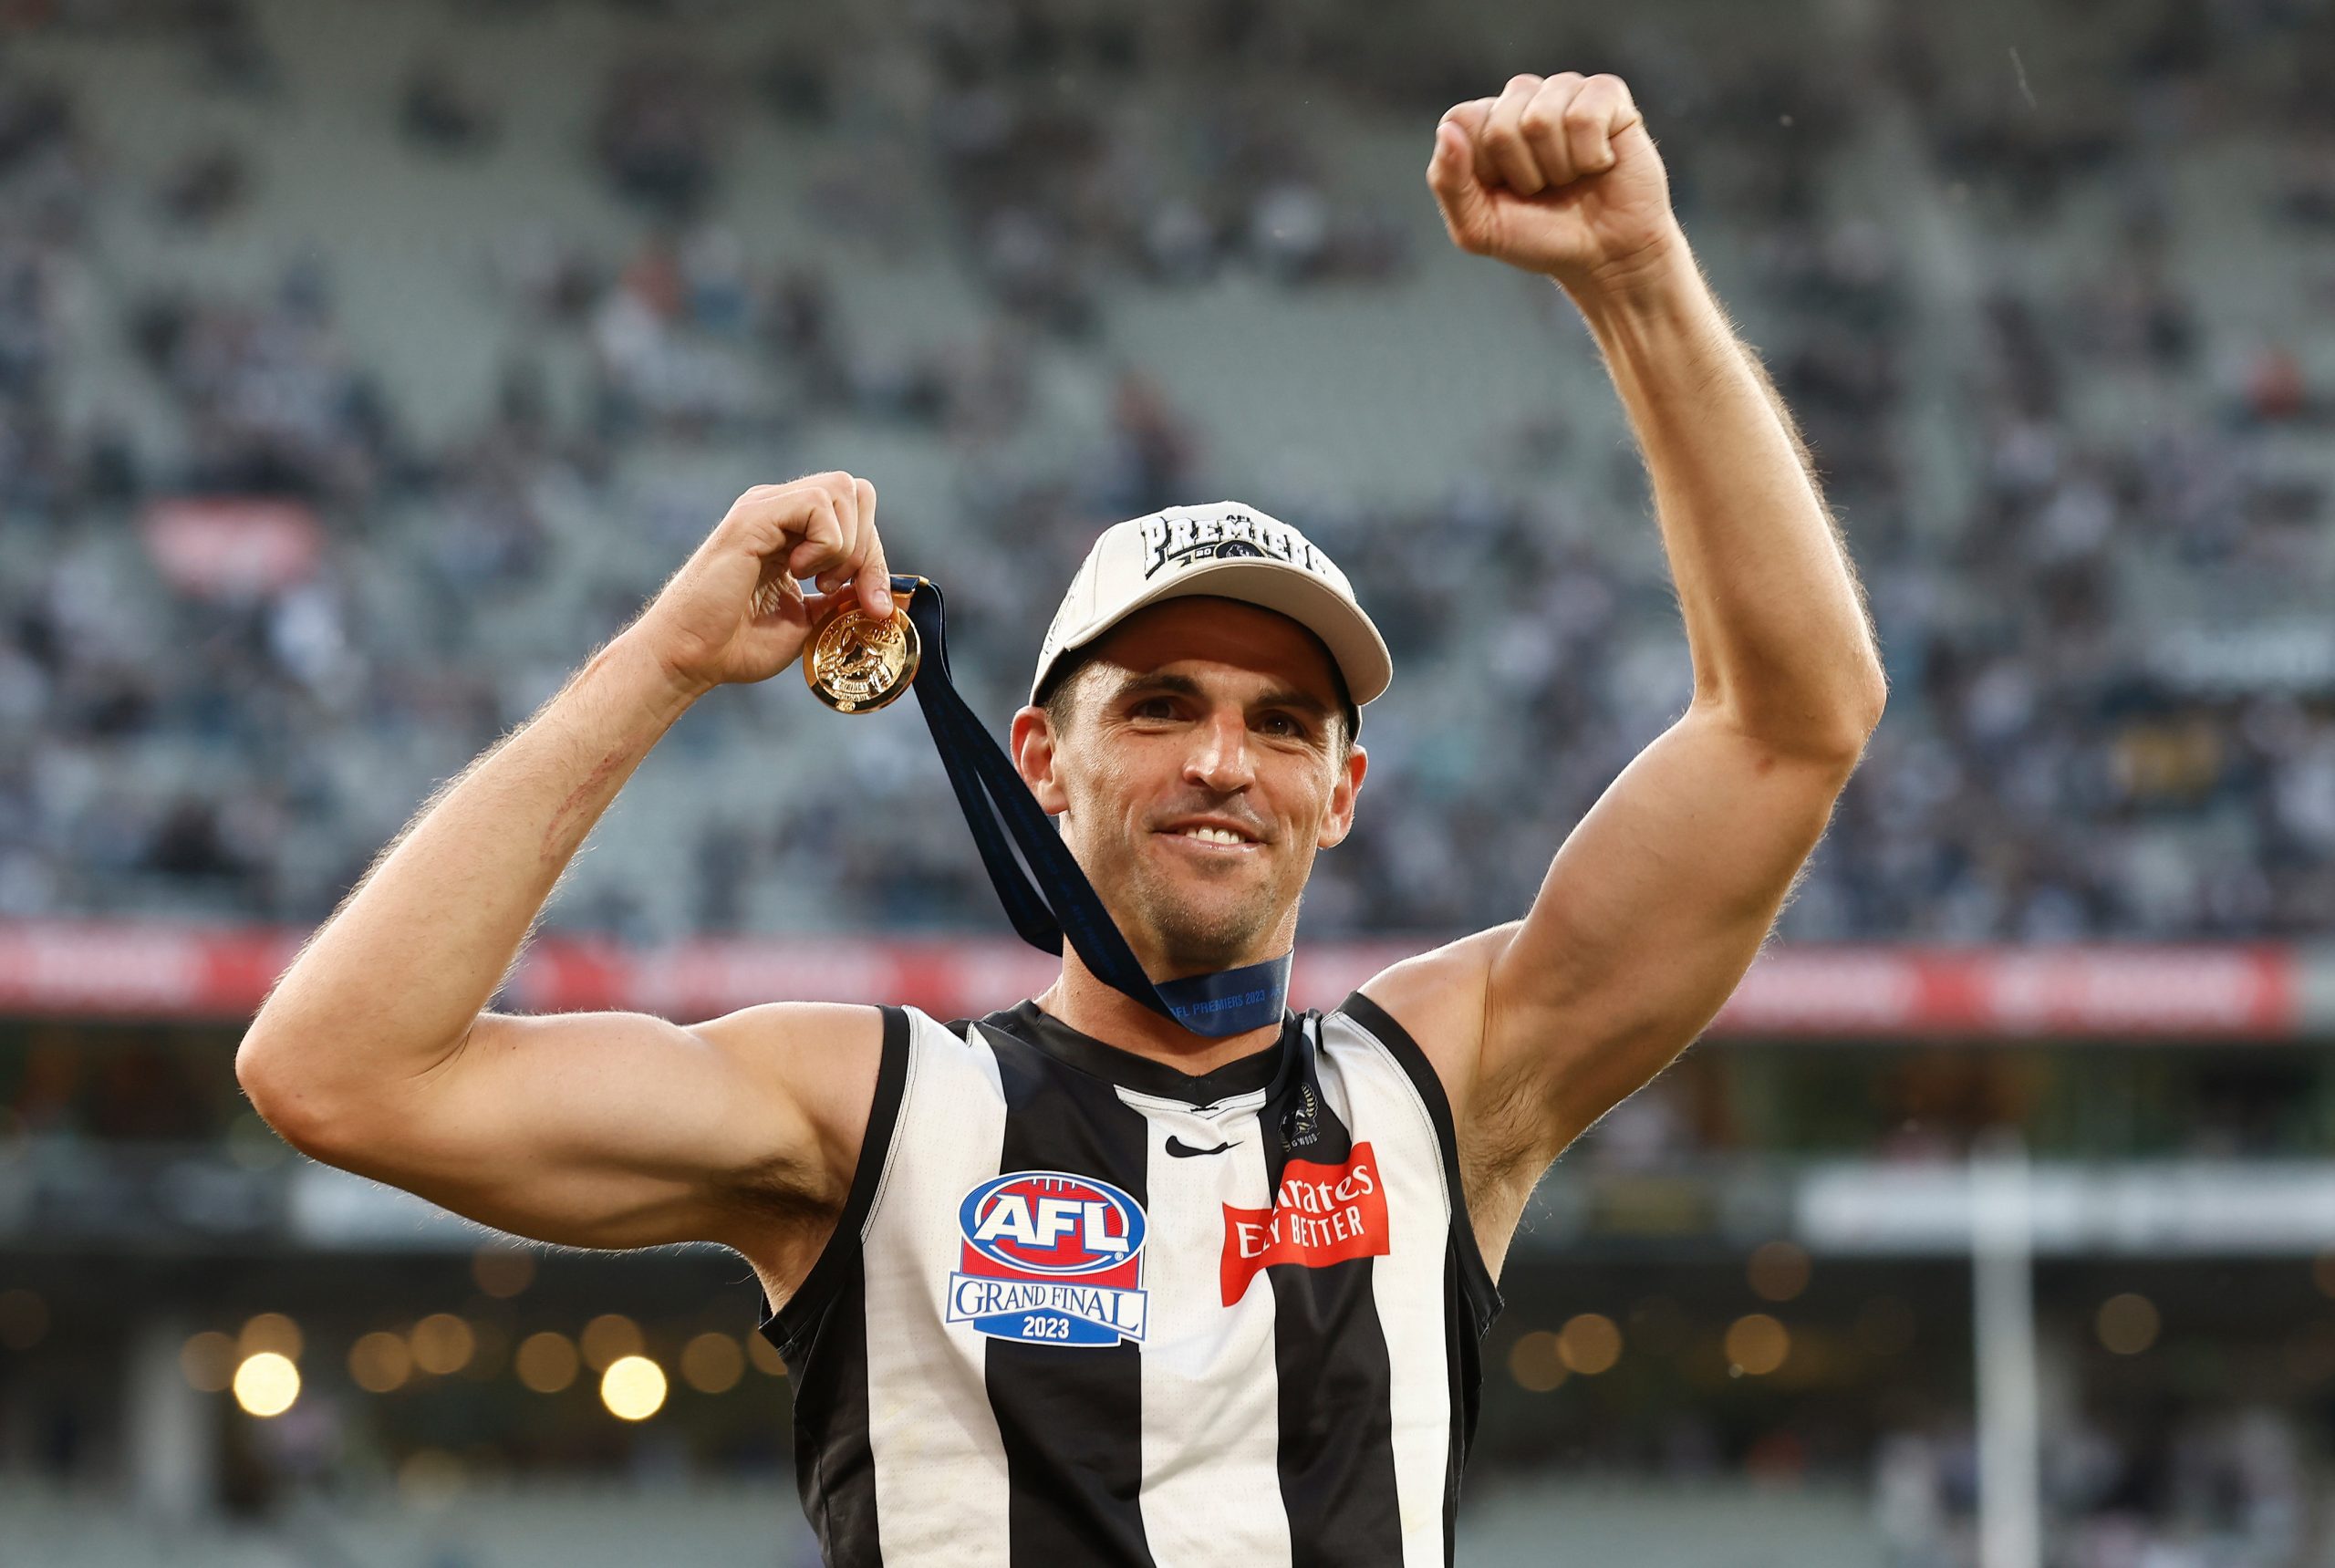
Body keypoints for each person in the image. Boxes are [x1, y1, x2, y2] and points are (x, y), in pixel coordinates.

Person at [236, 72, 1886, 1566]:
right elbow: (340, 1071)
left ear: (1344, 791)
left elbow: (1793, 727)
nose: (1225, 762)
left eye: (1283, 724)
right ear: (1039, 756)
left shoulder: (1445, 1081)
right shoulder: (870, 1111)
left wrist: (1637, 279)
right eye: (1160, 706)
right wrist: (662, 664)